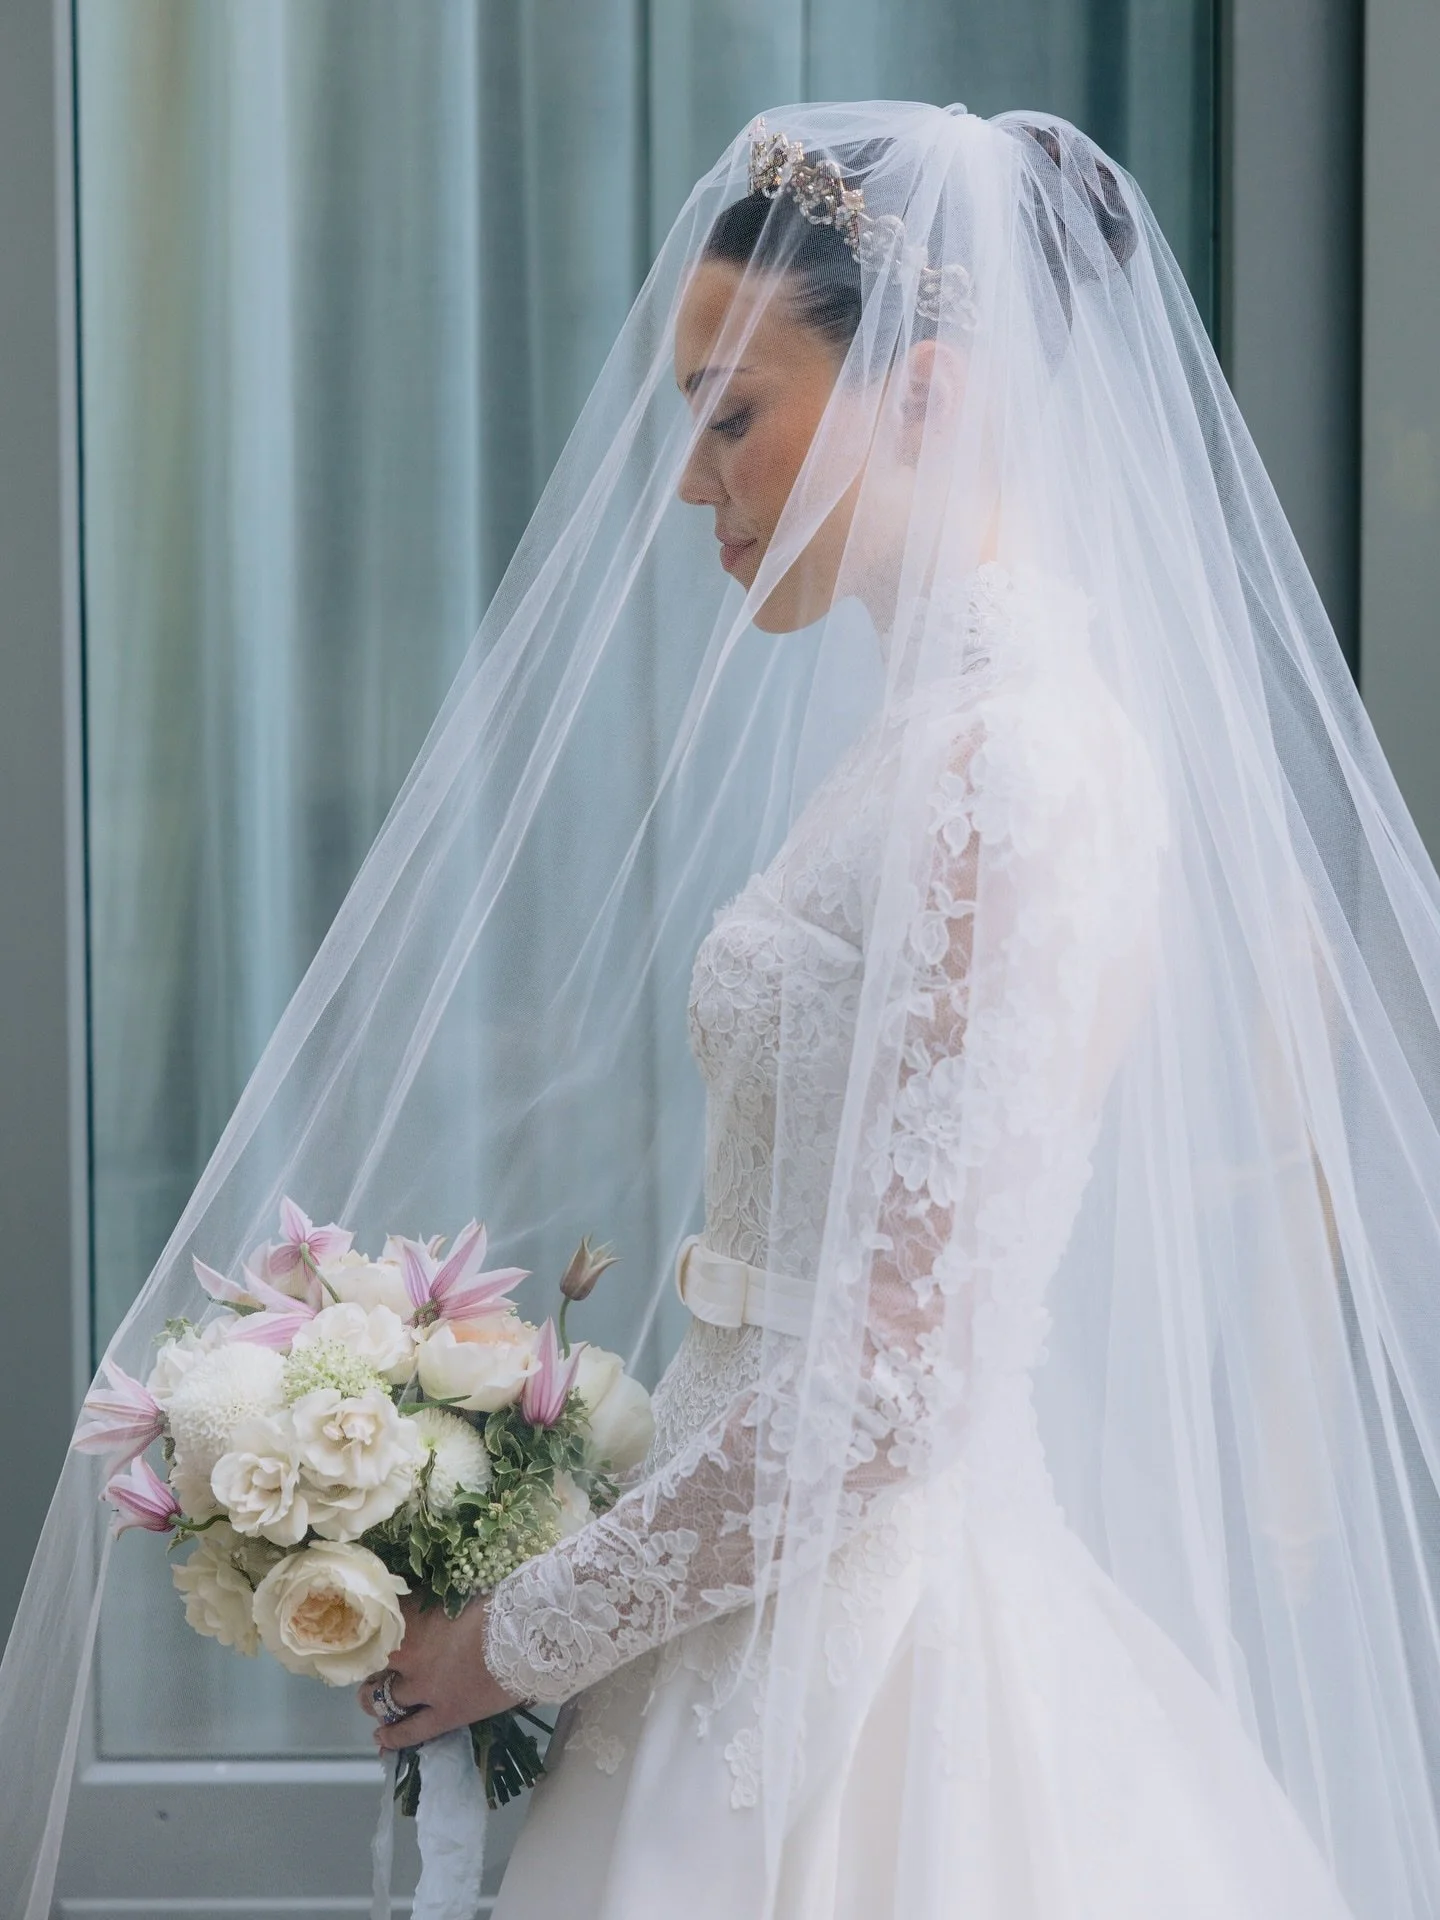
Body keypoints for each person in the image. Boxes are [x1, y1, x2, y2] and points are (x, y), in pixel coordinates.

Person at [7, 100, 1440, 1920]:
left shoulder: (1019, 768)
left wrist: (516, 1631)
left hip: (871, 1670)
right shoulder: (918, 749)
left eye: (731, 413)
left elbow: (900, 1375)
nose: (692, 480)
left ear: (922, 392)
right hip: (738, 1598)